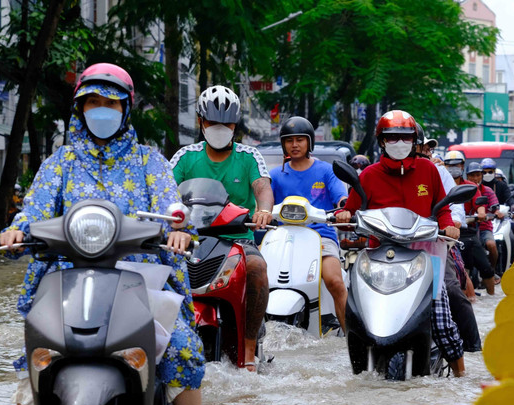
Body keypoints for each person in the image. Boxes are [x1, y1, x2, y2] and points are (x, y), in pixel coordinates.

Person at [0, 63, 205, 405]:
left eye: (110, 101)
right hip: (67, 279)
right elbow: (35, 210)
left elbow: (170, 206)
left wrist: (177, 230)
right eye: (93, 101)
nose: (101, 109)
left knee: (180, 343)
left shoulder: (150, 162)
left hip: (138, 280)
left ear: (125, 109)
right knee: (37, 343)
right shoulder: (60, 162)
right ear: (80, 109)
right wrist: (17, 230)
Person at [335, 109, 466, 376]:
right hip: (378, 256)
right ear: (381, 141)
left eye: (404, 137)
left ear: (414, 140)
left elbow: (442, 208)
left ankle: (462, 376)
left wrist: (449, 225)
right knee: (358, 316)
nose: (399, 143)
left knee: (441, 319)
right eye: (391, 137)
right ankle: (358, 374)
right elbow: (350, 209)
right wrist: (344, 214)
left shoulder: (428, 170)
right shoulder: (369, 175)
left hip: (426, 255)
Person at [169, 85, 274, 371]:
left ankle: (249, 351)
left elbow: (262, 187)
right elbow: (164, 191)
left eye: (226, 123)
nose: (219, 128)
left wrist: (264, 210)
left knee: (256, 269)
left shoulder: (249, 156)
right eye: (213, 122)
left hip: (238, 239)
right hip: (189, 239)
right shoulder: (185, 157)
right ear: (201, 122)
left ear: (235, 125)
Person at [269, 115, 349, 333]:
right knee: (256, 277)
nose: (294, 145)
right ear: (283, 144)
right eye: (289, 140)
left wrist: (344, 208)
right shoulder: (275, 175)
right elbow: (263, 203)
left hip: (320, 236)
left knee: (334, 280)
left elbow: (341, 198)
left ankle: (352, 339)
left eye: (300, 140)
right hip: (283, 238)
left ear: (309, 142)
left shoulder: (326, 170)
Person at [414, 127, 481, 352]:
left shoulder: (438, 173)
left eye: (425, 148)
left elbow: (455, 209)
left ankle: (472, 349)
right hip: (393, 248)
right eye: (393, 140)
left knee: (451, 289)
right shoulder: (380, 172)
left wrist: (452, 224)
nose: (423, 152)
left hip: (432, 245)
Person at [448, 152, 496, 296]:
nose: (453, 168)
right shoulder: (440, 183)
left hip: (467, 232)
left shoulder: (469, 186)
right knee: (457, 271)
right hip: (447, 233)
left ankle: (492, 300)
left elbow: (478, 202)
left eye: (457, 165)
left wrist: (481, 212)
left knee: (485, 267)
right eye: (450, 165)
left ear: (462, 166)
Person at [466, 161, 500, 273]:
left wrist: (497, 213)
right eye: (472, 175)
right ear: (467, 176)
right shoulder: (461, 190)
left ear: (481, 176)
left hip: (484, 227)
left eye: (478, 175)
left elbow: (495, 207)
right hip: (466, 228)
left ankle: (492, 271)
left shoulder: (488, 191)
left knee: (491, 245)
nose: (475, 178)